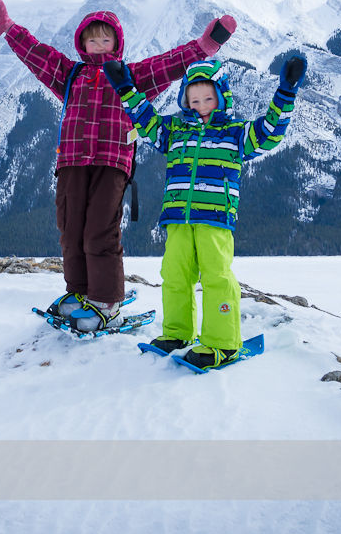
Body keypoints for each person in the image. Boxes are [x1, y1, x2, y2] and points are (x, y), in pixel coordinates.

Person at [0, 0, 236, 331]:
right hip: (71, 161)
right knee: (70, 230)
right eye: (92, 38)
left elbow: (169, 64)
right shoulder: (70, 74)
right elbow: (36, 55)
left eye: (105, 38)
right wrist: (6, 26)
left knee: (100, 229)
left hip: (113, 162)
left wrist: (203, 46)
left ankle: (107, 300)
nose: (98, 44)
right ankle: (79, 292)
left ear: (117, 42)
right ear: (82, 43)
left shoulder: (131, 75)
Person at [102, 54, 306, 368]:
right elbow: (147, 121)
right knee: (174, 276)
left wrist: (286, 92)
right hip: (177, 217)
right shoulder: (174, 130)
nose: (200, 104)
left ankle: (222, 343)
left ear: (222, 96)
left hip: (215, 218)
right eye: (193, 99)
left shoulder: (236, 134)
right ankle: (177, 333)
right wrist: (126, 88)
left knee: (216, 277)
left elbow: (270, 132)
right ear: (185, 99)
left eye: (208, 97)